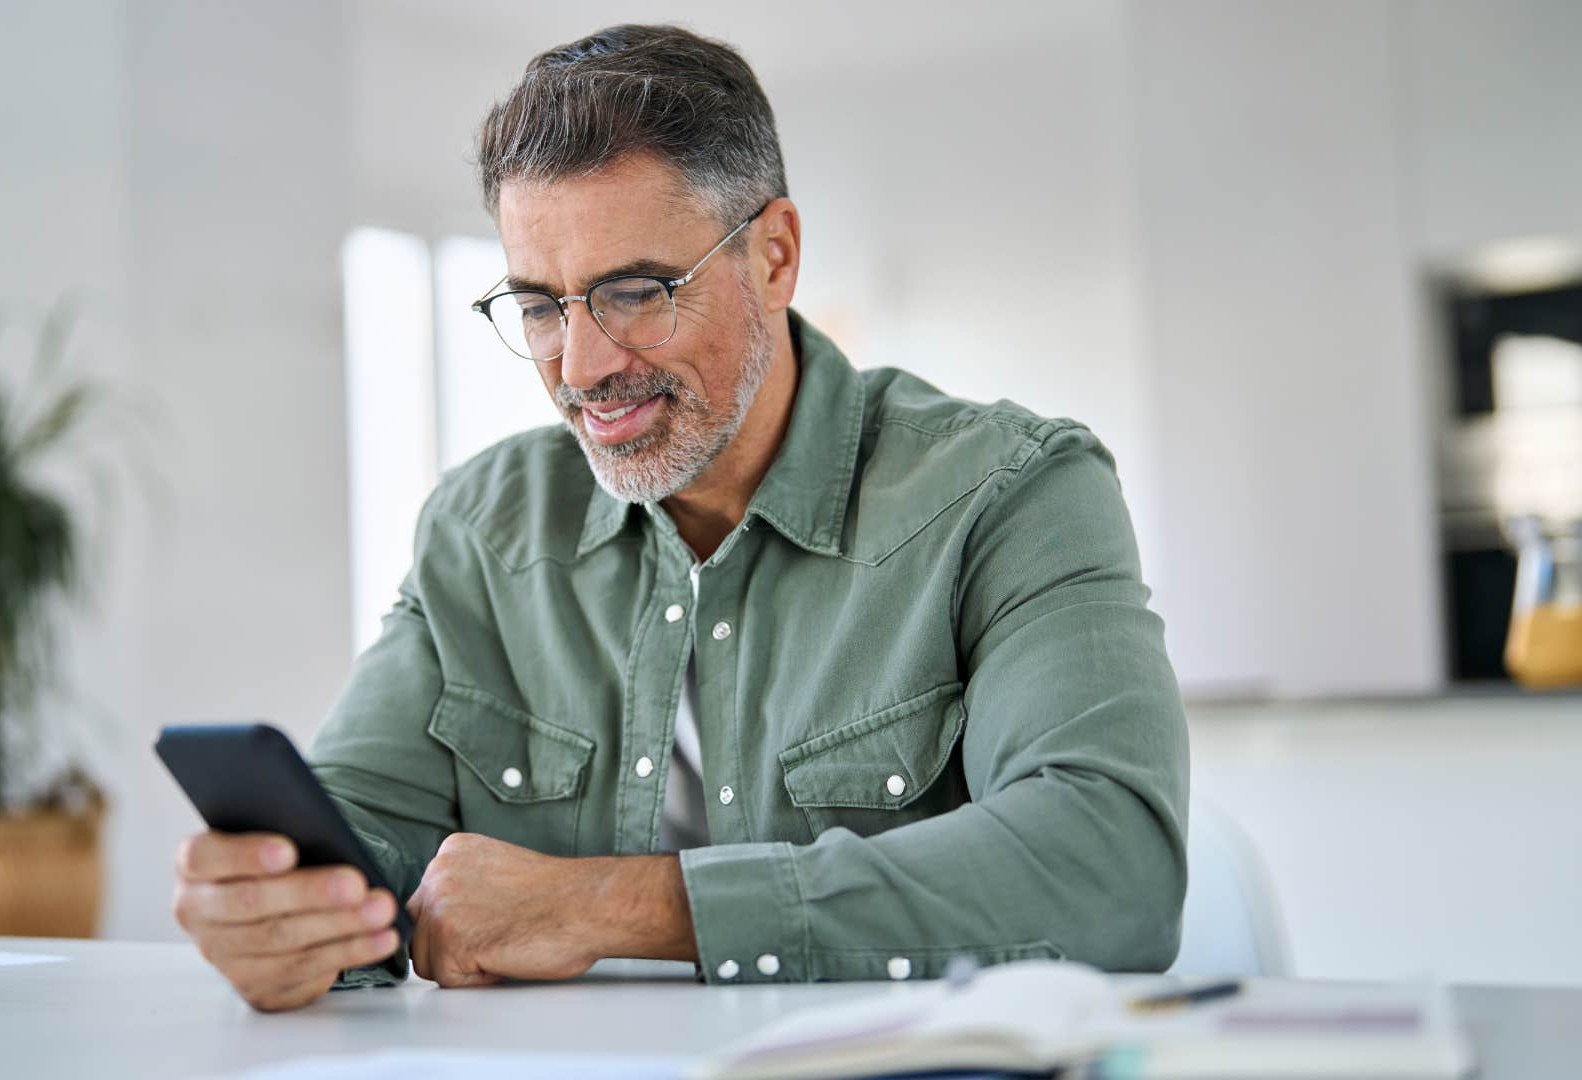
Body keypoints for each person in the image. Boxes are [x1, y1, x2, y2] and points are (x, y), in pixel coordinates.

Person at [172, 23, 1188, 1012]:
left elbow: (1112, 863)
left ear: (776, 257)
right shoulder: (481, 532)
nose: (581, 369)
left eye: (635, 291)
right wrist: (282, 920)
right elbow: (361, 842)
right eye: (539, 306)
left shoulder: (1011, 493)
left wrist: (618, 906)